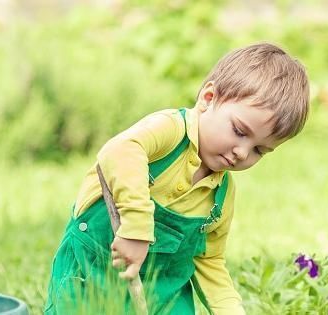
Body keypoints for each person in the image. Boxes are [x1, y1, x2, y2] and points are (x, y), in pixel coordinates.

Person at [45, 43, 310, 314]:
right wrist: (136, 227)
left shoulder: (220, 195)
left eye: (259, 150)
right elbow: (119, 150)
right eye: (240, 131)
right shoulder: (170, 131)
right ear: (208, 98)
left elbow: (209, 259)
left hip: (162, 291)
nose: (242, 152)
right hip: (94, 268)